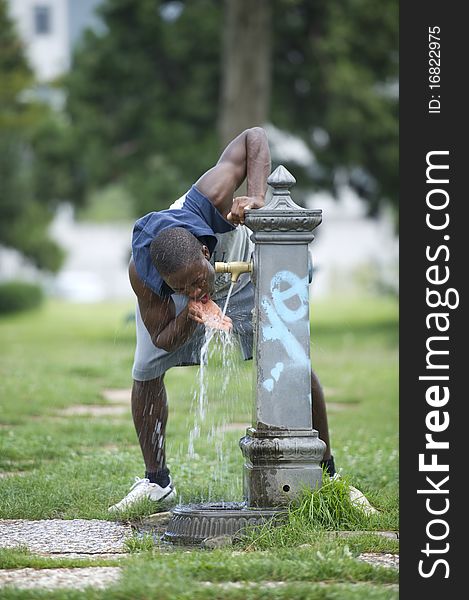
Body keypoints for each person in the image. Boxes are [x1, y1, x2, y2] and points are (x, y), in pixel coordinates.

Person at [108, 127, 336, 512]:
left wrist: (258, 198)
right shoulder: (144, 276)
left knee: (293, 357)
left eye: (198, 279)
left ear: (203, 249)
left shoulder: (211, 196)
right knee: (145, 369)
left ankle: (328, 474)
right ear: (165, 282)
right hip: (174, 312)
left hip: (244, 272)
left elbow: (254, 137)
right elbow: (162, 338)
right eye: (184, 287)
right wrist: (192, 312)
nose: (196, 289)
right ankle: (157, 482)